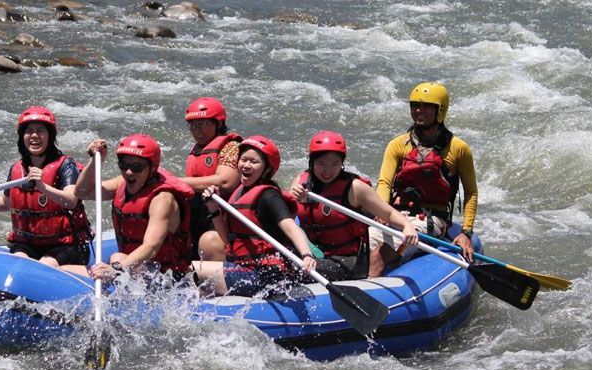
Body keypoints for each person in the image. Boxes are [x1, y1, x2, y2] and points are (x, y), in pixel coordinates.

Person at [0, 106, 93, 275]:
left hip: (65, 246)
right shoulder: (17, 168)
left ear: (50, 136)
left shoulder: (66, 166)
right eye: (29, 131)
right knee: (19, 265)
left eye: (40, 131)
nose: (35, 136)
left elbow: (71, 200)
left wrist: (42, 186)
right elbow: (6, 203)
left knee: (42, 267)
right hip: (28, 245)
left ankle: (83, 272)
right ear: (22, 137)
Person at [370, 82, 478, 277]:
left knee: (380, 254)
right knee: (362, 246)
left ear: (440, 110)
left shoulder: (458, 148)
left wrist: (466, 232)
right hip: (396, 215)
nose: (418, 110)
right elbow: (384, 183)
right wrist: (382, 211)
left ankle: (364, 295)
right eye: (414, 106)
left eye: (426, 106)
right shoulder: (397, 145)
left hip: (430, 220)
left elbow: (471, 192)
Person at [196, 135, 317, 297]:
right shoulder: (239, 193)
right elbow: (227, 240)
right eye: (244, 160)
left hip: (267, 275)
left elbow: (290, 226)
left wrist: (306, 254)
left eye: (254, 162)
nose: (246, 165)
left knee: (192, 271)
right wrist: (213, 208)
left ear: (267, 169)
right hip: (244, 267)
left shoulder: (269, 197)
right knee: (199, 271)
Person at [290, 131, 419, 281]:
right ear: (311, 163)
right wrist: (293, 198)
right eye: (321, 164)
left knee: (298, 272)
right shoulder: (301, 181)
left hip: (350, 260)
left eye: (335, 164)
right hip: (317, 251)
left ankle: (384, 254)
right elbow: (285, 217)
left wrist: (407, 225)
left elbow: (388, 213)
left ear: (342, 164)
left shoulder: (355, 188)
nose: (328, 171)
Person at [73, 134, 195, 283]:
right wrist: (95, 161)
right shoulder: (121, 183)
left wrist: (115, 270)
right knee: (66, 269)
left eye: (137, 167)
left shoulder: (163, 200)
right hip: (133, 267)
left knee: (116, 258)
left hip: (166, 277)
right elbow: (82, 192)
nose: (129, 172)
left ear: (152, 169)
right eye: (124, 165)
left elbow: (151, 247)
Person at [179, 97, 242, 262]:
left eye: (202, 124)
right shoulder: (197, 151)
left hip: (224, 226)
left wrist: (177, 182)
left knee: (208, 240)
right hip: (200, 219)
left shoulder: (231, 147)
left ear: (218, 123)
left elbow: (225, 182)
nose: (196, 131)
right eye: (193, 125)